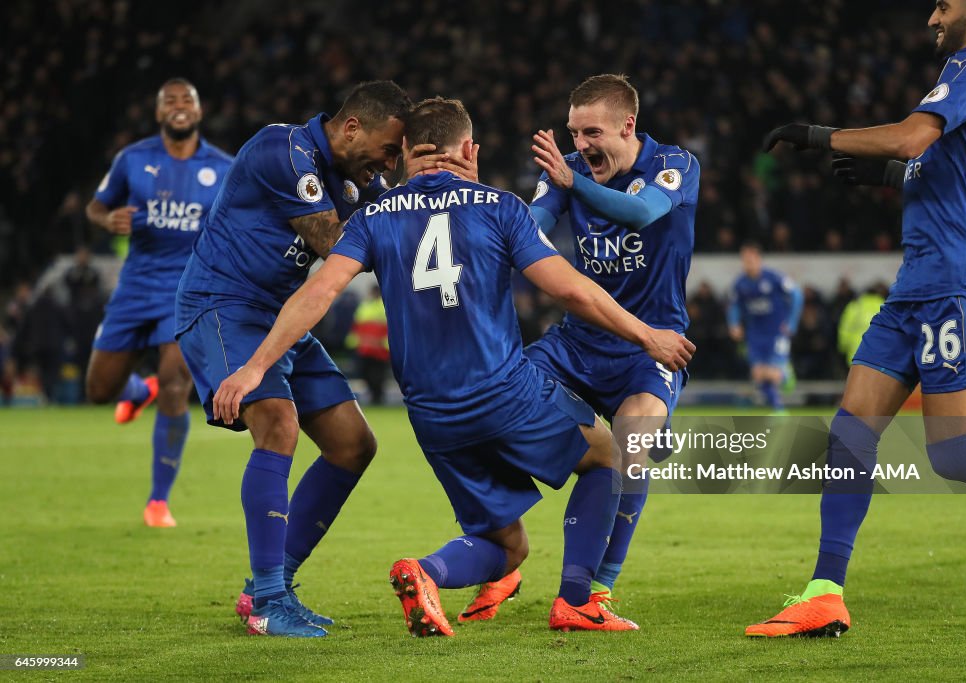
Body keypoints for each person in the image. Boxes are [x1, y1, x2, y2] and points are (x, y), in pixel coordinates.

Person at [210, 97, 696, 636]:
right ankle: (579, 600)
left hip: (432, 418)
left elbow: (318, 292)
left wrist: (255, 366)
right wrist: (647, 334)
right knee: (610, 458)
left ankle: (426, 571)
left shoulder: (373, 216)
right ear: (469, 150)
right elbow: (572, 290)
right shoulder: (498, 206)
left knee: (508, 546)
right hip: (505, 394)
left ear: (406, 154)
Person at [749, 0, 966, 637]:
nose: (932, 14)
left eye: (943, 4)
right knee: (850, 432)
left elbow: (910, 135)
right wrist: (891, 177)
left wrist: (816, 134)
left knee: (951, 454)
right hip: (917, 284)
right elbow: (943, 167)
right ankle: (824, 593)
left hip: (957, 282)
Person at [175, 81, 474, 638]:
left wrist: (451, 192)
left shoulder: (360, 178)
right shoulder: (282, 151)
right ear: (353, 127)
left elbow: (413, 236)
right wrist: (405, 208)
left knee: (352, 445)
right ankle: (267, 602)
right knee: (279, 424)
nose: (389, 164)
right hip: (224, 306)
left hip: (283, 314)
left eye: (397, 156)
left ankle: (269, 585)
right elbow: (337, 243)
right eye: (388, 150)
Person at [475, 74, 697, 621]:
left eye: (591, 131)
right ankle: (502, 558)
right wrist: (483, 207)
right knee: (492, 418)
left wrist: (572, 183)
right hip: (575, 344)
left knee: (633, 445)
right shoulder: (565, 175)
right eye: (574, 133)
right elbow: (530, 227)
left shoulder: (675, 165)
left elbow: (642, 214)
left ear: (628, 125)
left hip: (650, 345)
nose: (580, 145)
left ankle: (595, 591)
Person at [84, 78, 233, 528]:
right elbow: (95, 207)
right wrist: (108, 218)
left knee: (175, 383)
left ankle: (158, 501)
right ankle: (136, 389)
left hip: (188, 290)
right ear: (158, 113)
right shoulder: (133, 159)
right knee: (98, 391)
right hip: (135, 288)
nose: (178, 106)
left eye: (187, 98)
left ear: (199, 111)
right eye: (169, 101)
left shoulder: (224, 168)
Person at [727, 242, 803, 411]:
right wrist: (734, 325)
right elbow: (734, 306)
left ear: (758, 259)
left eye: (750, 259)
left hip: (777, 332)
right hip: (755, 334)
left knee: (772, 374)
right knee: (758, 375)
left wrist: (791, 322)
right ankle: (778, 411)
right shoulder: (740, 284)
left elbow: (797, 295)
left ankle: (785, 374)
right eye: (744, 259)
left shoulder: (774, 278)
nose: (747, 263)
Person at [346, 285, 390, 405]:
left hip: (380, 348)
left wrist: (385, 343)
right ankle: (374, 396)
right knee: (365, 372)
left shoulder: (385, 305)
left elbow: (390, 327)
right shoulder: (365, 305)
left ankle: (378, 397)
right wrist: (354, 342)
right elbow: (357, 325)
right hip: (365, 347)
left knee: (378, 374)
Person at [836, 283, 887, 367]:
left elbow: (845, 328)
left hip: (855, 352)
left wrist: (842, 347)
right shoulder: (883, 305)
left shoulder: (855, 305)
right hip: (877, 353)